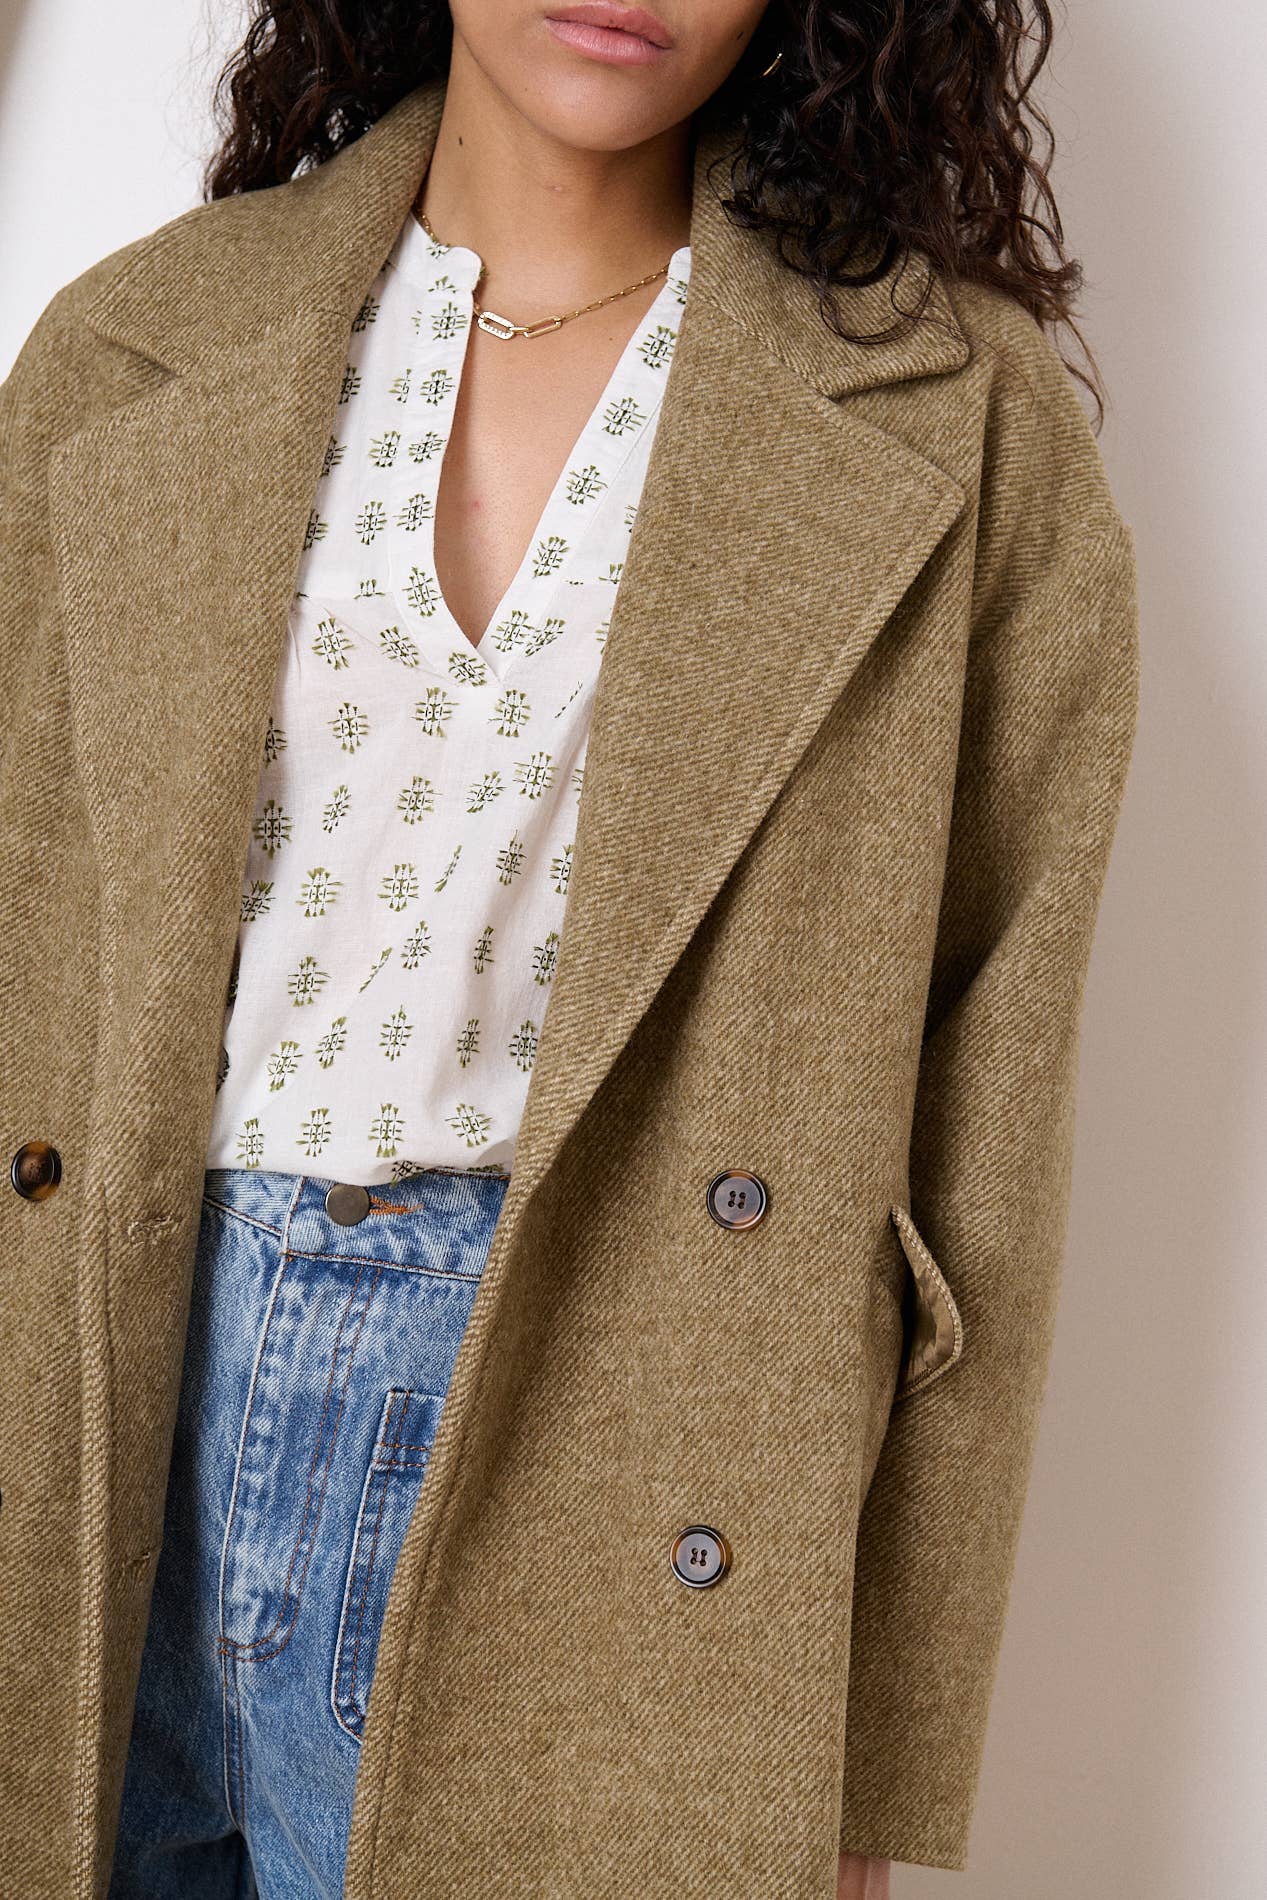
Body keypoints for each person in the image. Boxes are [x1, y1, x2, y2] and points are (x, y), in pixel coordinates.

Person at [0, 3, 1140, 1896]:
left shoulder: (965, 427)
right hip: (102, 1393)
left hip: (599, 1443)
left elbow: (985, 1166)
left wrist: (854, 1764)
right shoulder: (131, 349)